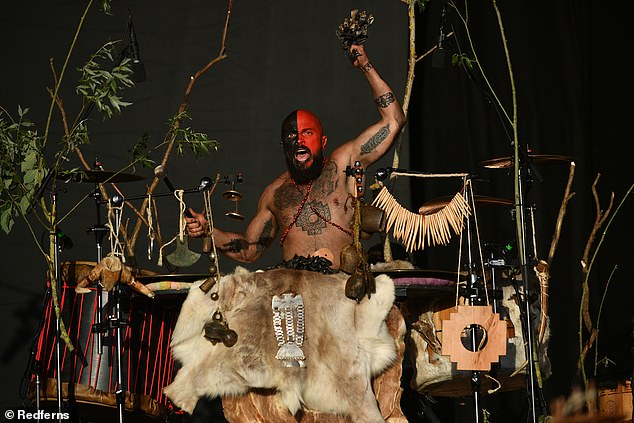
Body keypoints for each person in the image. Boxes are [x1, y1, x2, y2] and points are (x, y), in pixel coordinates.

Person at [186, 44, 405, 270]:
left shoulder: (343, 164)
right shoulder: (275, 194)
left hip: (344, 292)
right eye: (292, 136)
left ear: (323, 142)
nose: (299, 141)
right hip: (297, 296)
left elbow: (393, 120)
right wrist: (209, 231)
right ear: (284, 146)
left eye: (307, 134)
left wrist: (365, 66)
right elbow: (250, 250)